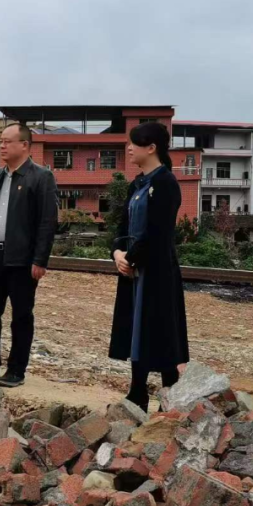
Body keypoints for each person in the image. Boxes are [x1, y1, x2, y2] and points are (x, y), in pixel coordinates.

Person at [0, 123, 58, 388]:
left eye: (7, 141)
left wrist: (40, 260)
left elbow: (47, 222)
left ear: (24, 145)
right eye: (0, 142)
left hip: (23, 261)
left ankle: (16, 369)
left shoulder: (41, 177)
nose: (2, 146)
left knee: (21, 316)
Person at [109, 121, 190, 409]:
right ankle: (137, 392)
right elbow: (121, 226)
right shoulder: (136, 184)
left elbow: (159, 232)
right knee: (136, 328)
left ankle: (171, 396)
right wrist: (117, 253)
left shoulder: (166, 183)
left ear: (151, 148)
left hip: (156, 270)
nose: (129, 148)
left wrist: (131, 258)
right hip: (132, 269)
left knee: (161, 329)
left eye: (134, 143)